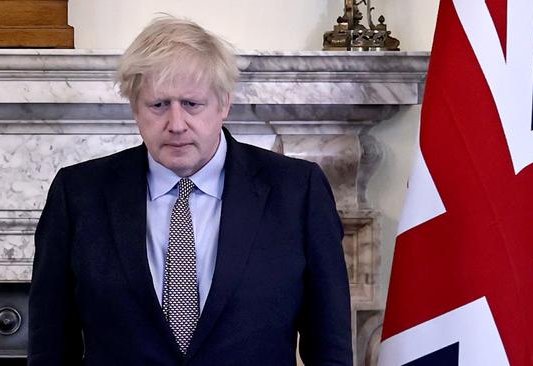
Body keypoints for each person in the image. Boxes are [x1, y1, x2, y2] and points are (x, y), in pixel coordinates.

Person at [28, 16, 352, 366]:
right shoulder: (78, 195)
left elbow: (329, 347)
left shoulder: (297, 191)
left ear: (224, 104)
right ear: (135, 108)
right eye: (159, 105)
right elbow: (51, 348)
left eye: (192, 104)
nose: (177, 124)